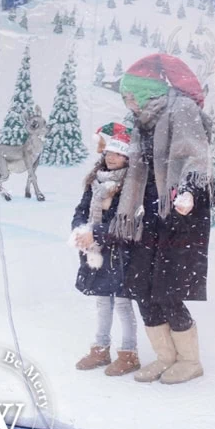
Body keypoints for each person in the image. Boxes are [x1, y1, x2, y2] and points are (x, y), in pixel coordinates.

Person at [112, 53, 213, 385]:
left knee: (167, 290)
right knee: (142, 287)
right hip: (148, 217)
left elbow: (193, 154)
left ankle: (189, 360)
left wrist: (188, 191)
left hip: (179, 213)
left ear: (144, 91)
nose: (127, 101)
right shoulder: (143, 122)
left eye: (130, 95)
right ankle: (165, 357)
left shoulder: (180, 109)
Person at [71, 128, 140, 376]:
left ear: (127, 159)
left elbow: (125, 222)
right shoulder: (95, 181)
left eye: (118, 154)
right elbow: (81, 209)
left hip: (121, 254)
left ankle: (129, 353)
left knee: (122, 304)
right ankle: (100, 349)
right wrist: (80, 230)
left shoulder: (131, 185)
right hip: (97, 250)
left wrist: (96, 233)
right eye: (109, 153)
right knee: (102, 302)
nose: (112, 158)